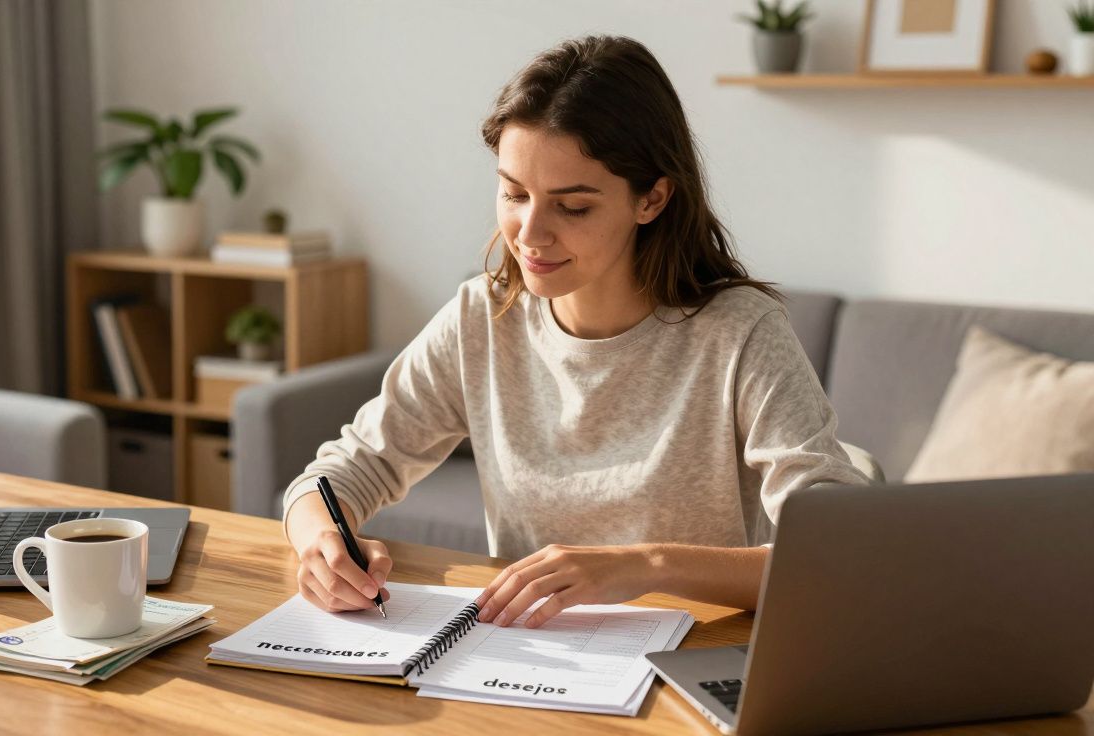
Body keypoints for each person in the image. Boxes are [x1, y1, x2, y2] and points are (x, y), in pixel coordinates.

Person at [281, 34, 869, 629]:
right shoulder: (482, 319)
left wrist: (647, 565)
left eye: (573, 207)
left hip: (692, 663)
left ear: (652, 198)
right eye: (514, 193)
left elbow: (841, 553)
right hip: (521, 657)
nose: (530, 234)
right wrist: (322, 542)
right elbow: (341, 472)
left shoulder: (740, 333)